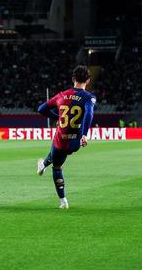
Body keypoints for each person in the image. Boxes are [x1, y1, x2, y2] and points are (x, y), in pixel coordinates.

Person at [36, 65, 95, 209]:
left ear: (73, 79)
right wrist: (84, 135)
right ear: (88, 81)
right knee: (58, 155)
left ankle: (63, 201)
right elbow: (89, 113)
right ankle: (42, 165)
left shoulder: (61, 95)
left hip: (61, 140)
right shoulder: (89, 97)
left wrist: (58, 117)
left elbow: (41, 109)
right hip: (75, 142)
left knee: (57, 167)